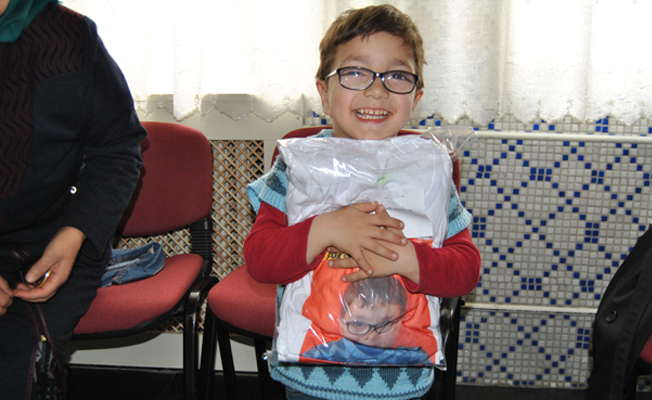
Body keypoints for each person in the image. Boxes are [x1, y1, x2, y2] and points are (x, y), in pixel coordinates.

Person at [244, 4, 481, 399]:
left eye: (397, 76)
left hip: (400, 376)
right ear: (324, 92)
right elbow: (260, 259)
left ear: (416, 97)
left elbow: (466, 270)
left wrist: (407, 258)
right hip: (311, 373)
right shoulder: (298, 165)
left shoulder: (428, 170)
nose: (377, 90)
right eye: (355, 72)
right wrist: (325, 229)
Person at [0, 0, 146, 399]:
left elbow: (118, 150)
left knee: (17, 366)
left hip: (57, 242)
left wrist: (76, 232)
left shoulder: (70, 35)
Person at [301, 276, 433, 365]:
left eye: (384, 324)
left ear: (398, 326)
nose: (372, 336)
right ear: (341, 325)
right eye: (358, 324)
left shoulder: (412, 357)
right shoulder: (319, 354)